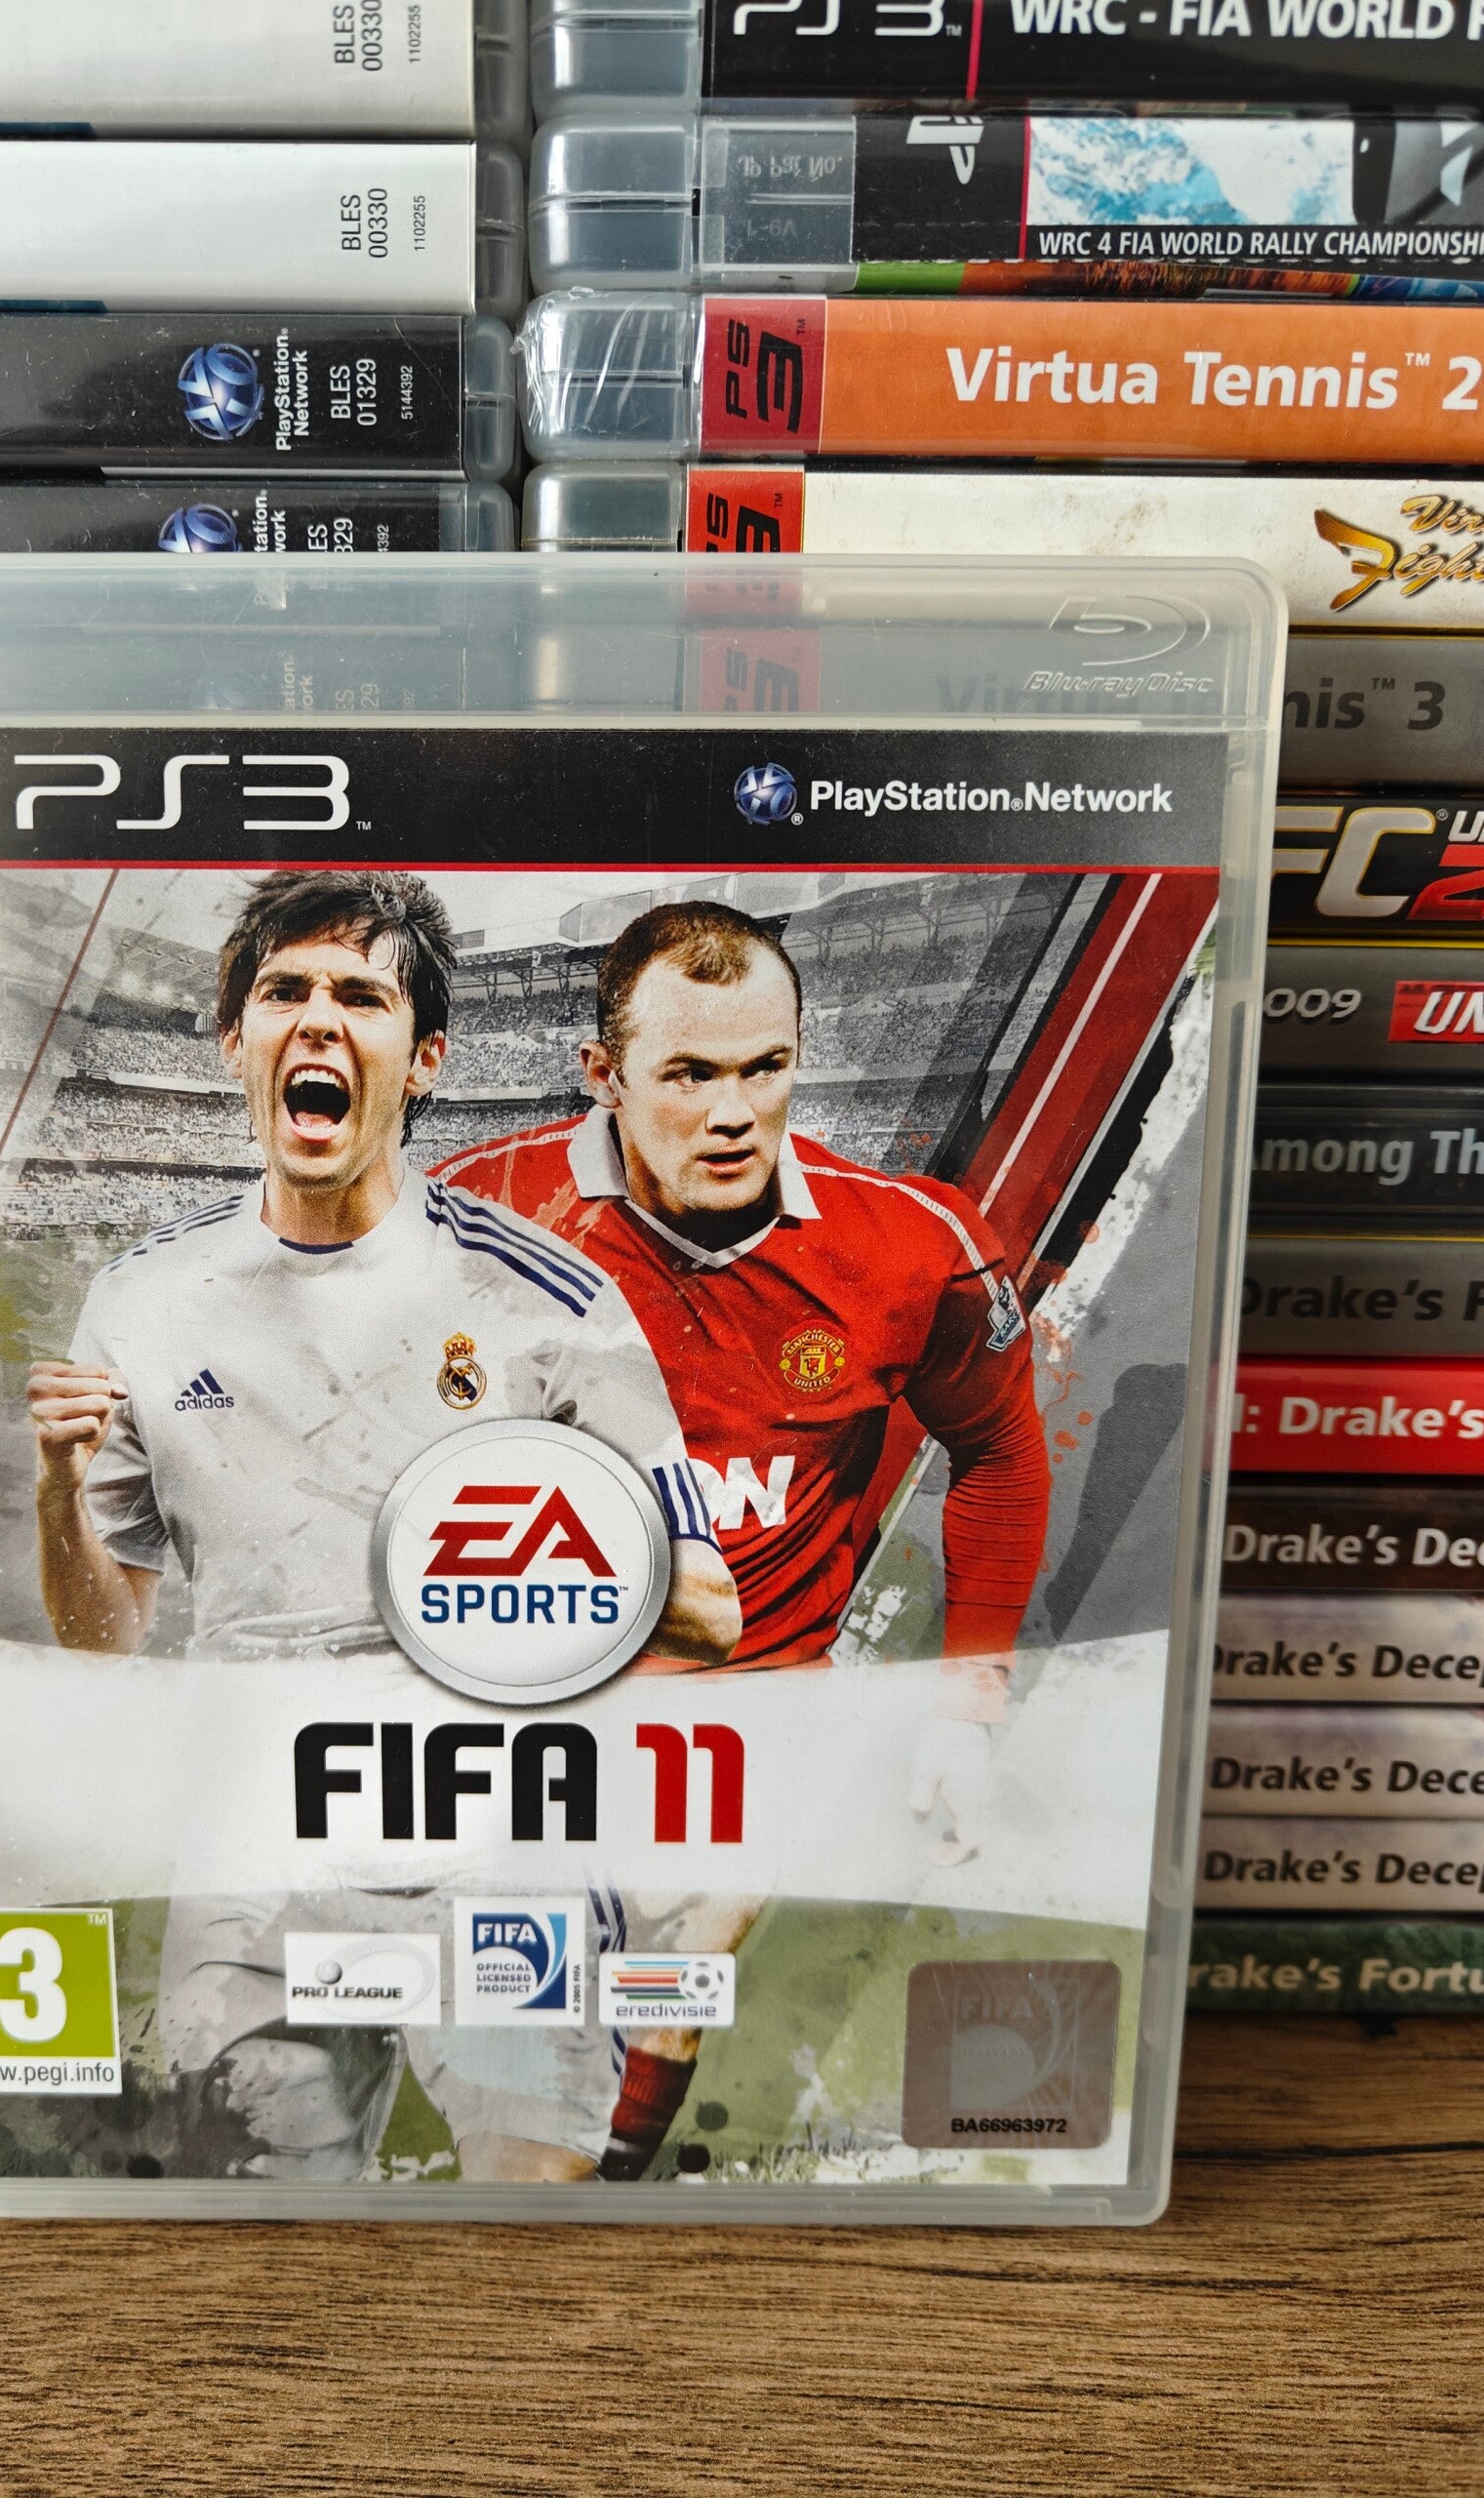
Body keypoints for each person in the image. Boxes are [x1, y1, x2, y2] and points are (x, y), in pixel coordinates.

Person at [25, 869, 741, 2181]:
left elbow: (709, 1605)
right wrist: (57, 1488)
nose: (319, 1018)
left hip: (500, 1835)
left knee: (535, 2209)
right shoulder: (141, 1304)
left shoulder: (548, 1301)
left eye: (361, 995)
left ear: (423, 1060)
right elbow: (102, 1638)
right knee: (253, 2233)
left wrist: (486, 1548)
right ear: (235, 1041)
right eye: (284, 991)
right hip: (259, 1849)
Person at [437, 899, 1051, 2175]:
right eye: (689, 1075)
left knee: (659, 2008)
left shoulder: (913, 1249)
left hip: (757, 1706)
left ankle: (596, 2196)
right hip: (535, 1706)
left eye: (764, 1068)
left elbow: (998, 1453)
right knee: (522, 2054)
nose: (732, 1113)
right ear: (604, 1075)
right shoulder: (473, 1220)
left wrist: (965, 1705)